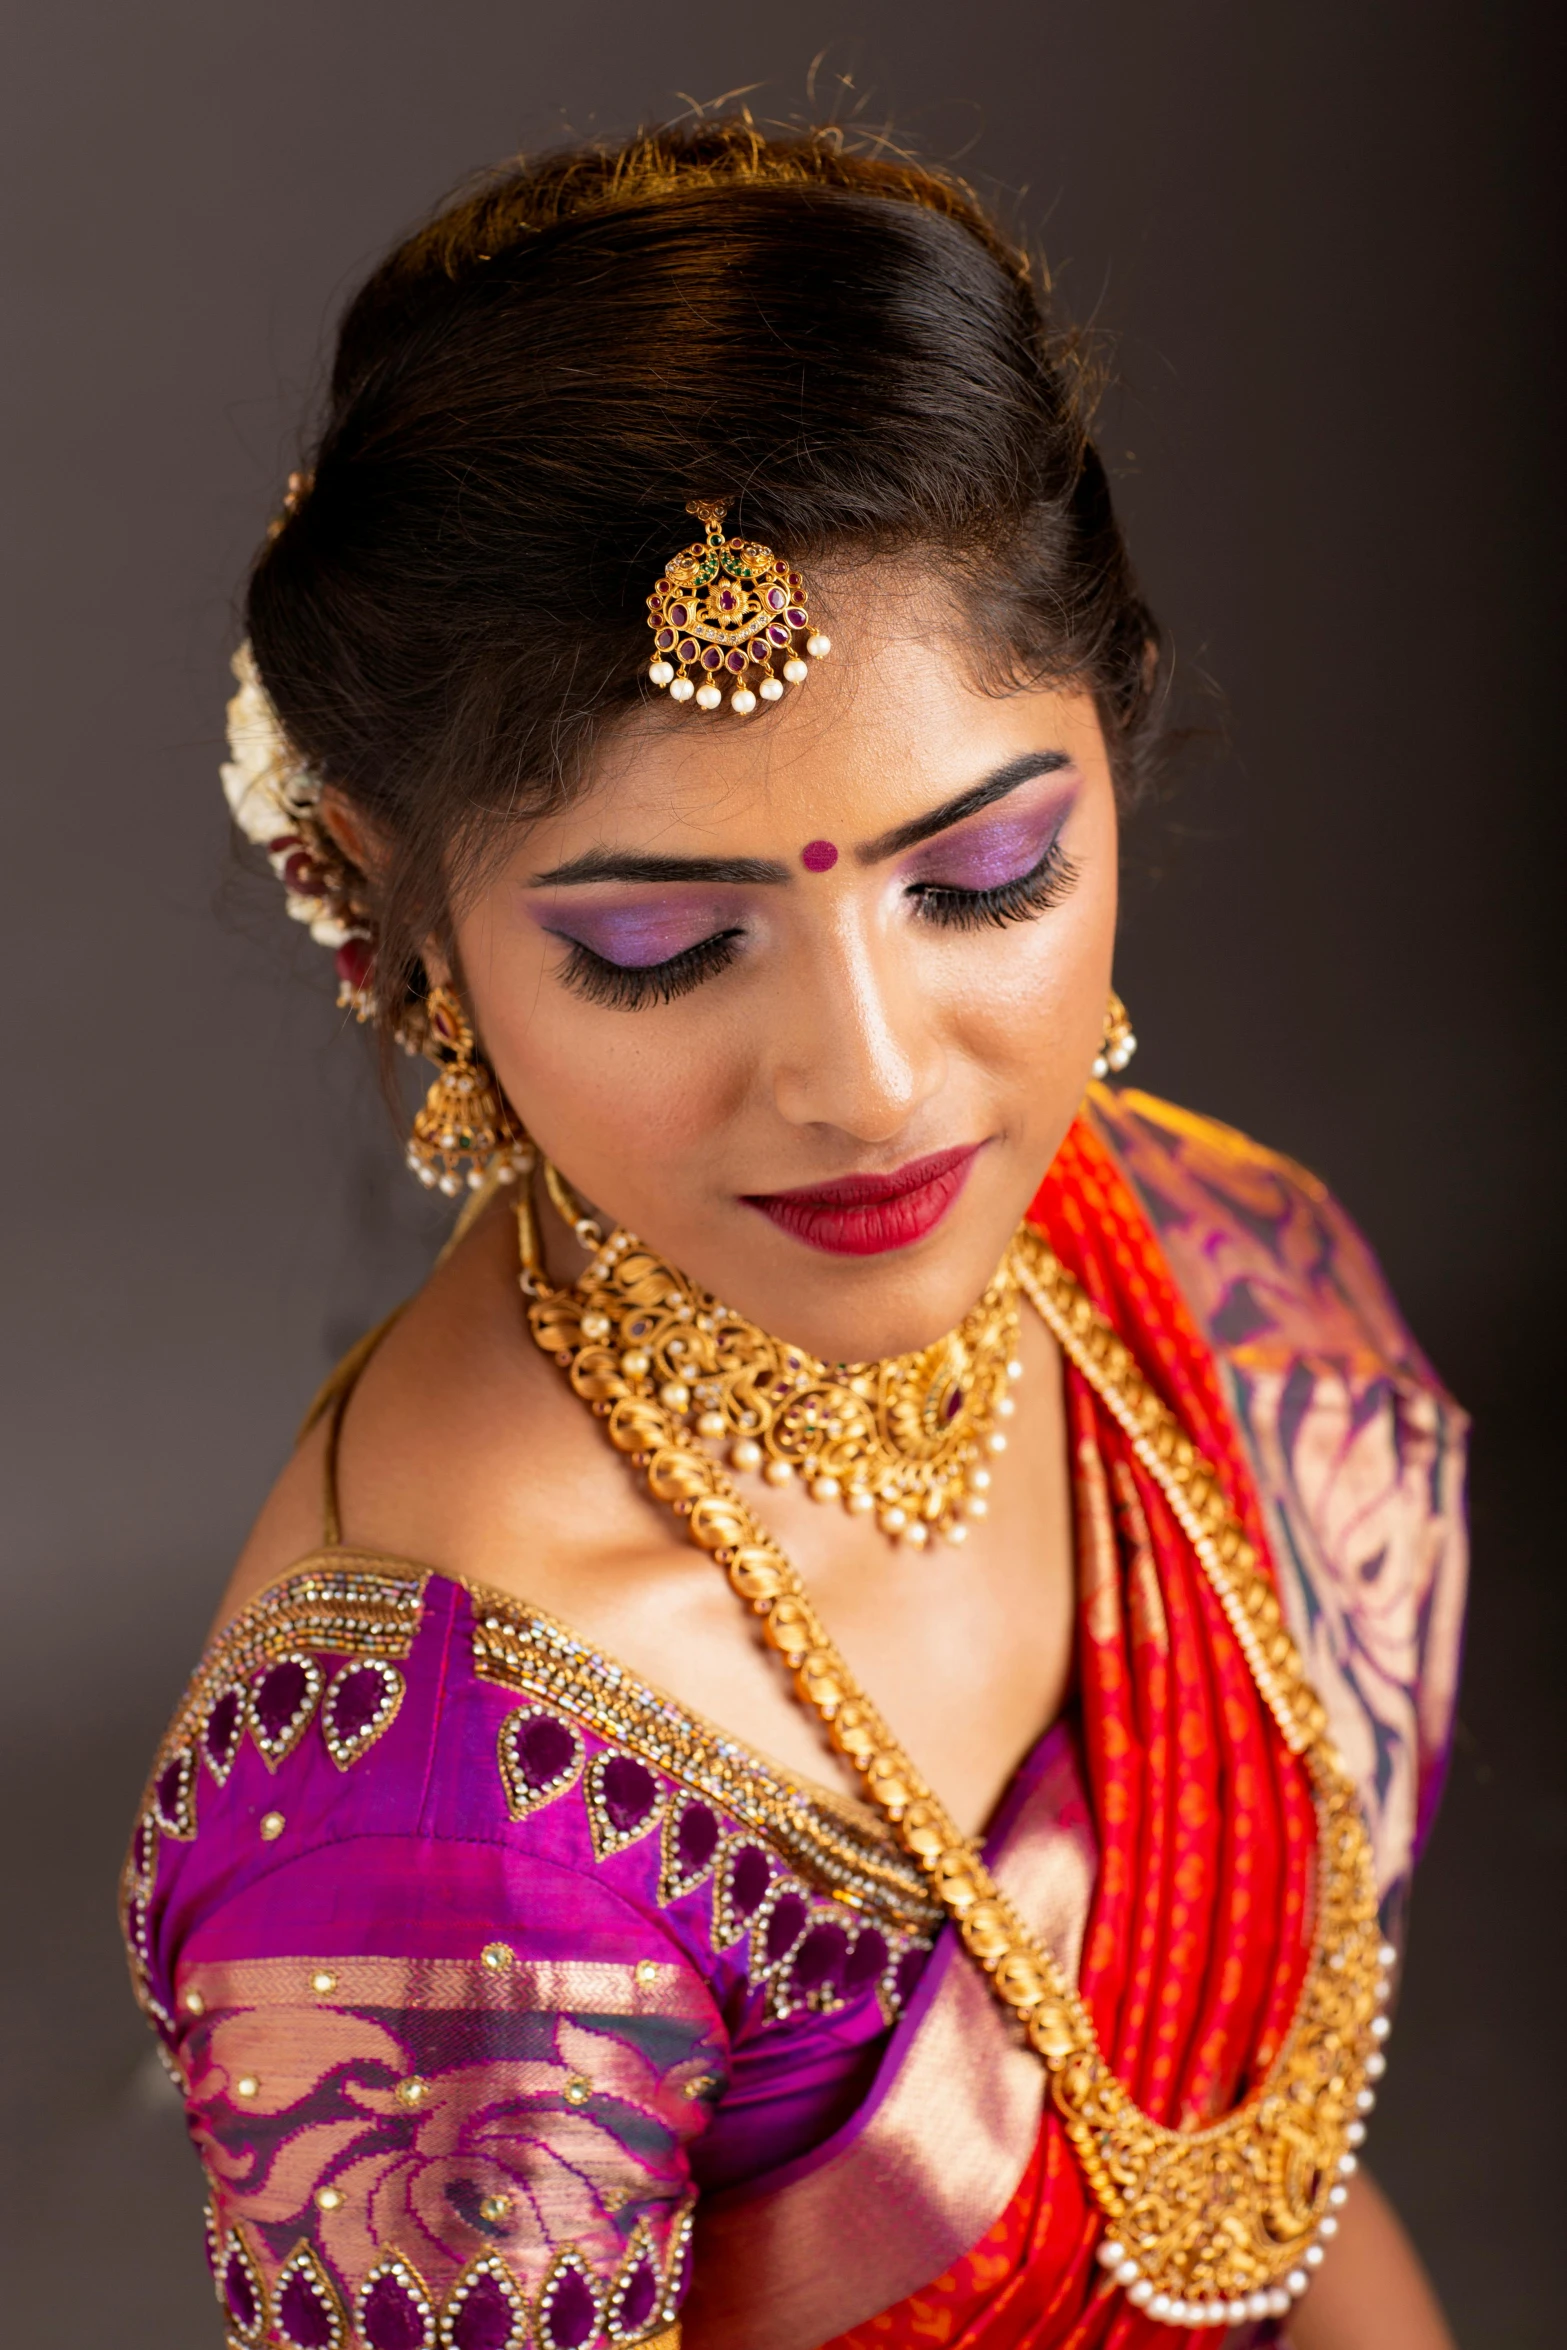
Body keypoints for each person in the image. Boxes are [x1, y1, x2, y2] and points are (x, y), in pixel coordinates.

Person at [123, 121, 1466, 2350]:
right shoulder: (437, 1836)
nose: (868, 1076)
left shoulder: (1223, 1292)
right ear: (396, 909)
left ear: (1115, 726)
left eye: (986, 876)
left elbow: (1284, 2189)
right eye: (661, 942)